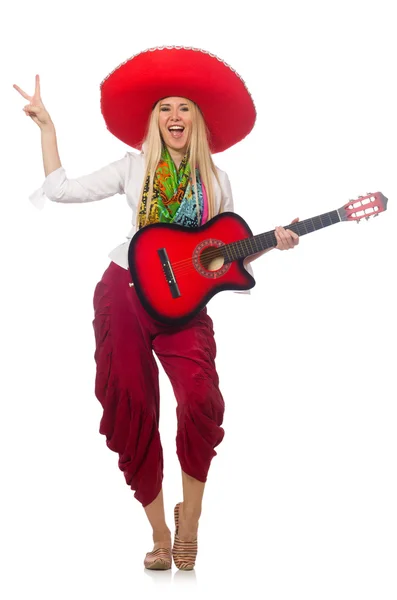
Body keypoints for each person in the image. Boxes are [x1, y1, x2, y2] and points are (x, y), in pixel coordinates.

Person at [14, 46, 299, 571]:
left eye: (184, 107)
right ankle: (160, 533)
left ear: (197, 120)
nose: (174, 116)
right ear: (154, 120)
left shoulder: (217, 180)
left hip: (184, 308)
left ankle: (189, 520)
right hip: (124, 290)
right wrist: (47, 128)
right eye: (165, 108)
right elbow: (62, 190)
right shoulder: (132, 166)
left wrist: (272, 243)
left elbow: (222, 251)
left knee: (200, 400)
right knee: (131, 403)